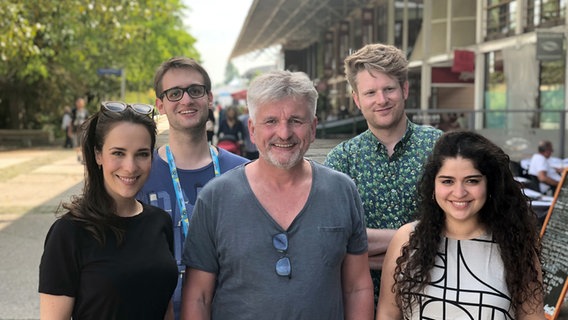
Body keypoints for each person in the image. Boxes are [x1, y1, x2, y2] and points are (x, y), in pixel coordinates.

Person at [181, 70, 374, 319]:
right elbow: (199, 296)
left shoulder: (342, 191)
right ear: (251, 129)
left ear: (313, 128)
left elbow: (357, 287)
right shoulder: (215, 198)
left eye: (296, 120)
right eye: (271, 121)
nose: (284, 133)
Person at [376, 130, 544, 319]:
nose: (459, 192)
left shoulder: (516, 246)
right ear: (433, 186)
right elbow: (387, 315)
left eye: (472, 181)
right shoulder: (407, 239)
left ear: (490, 185)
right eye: (447, 181)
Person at [323, 43, 442, 301]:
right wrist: (421, 239)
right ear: (356, 99)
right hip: (363, 304)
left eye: (389, 89)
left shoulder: (440, 148)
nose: (381, 100)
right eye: (370, 92)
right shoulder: (342, 160)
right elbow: (332, 242)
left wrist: (365, 252)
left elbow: (456, 227)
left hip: (434, 302)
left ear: (405, 89)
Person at [39, 101, 178, 319]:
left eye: (142, 154)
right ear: (98, 155)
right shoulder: (69, 233)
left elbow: (165, 308)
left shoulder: (160, 222)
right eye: (118, 153)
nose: (130, 167)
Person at [137, 56, 248, 319]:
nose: (186, 100)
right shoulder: (138, 174)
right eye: (174, 93)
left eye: (195, 91)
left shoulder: (245, 172)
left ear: (209, 98)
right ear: (160, 105)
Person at [72, 97, 90, 162]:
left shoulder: (85, 111)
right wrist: (70, 129)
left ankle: (83, 157)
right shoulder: (73, 111)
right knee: (76, 144)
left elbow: (88, 120)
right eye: (78, 102)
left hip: (83, 129)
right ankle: (78, 155)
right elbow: (71, 121)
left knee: (83, 143)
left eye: (80, 102)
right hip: (76, 129)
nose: (79, 104)